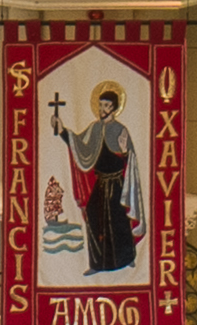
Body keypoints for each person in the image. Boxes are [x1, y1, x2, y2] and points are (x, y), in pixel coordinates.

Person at [50, 80, 141, 275]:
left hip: (117, 184)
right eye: (100, 105)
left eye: (106, 106)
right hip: (101, 183)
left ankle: (127, 258)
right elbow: (79, 146)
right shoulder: (94, 129)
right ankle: (97, 264)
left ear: (114, 108)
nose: (102, 109)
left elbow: (130, 160)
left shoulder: (120, 130)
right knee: (93, 215)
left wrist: (125, 152)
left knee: (118, 220)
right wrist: (62, 130)